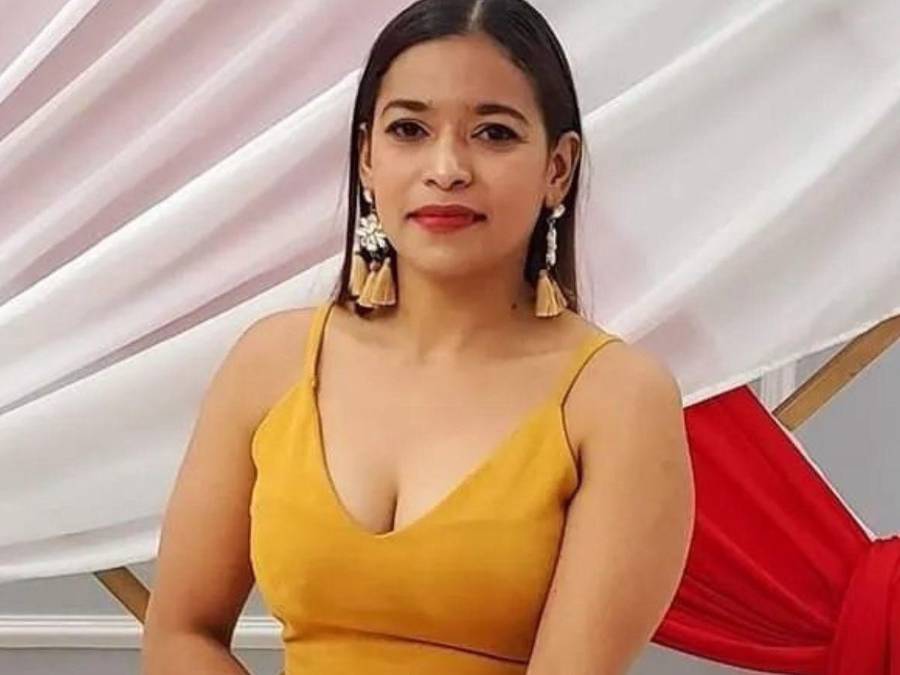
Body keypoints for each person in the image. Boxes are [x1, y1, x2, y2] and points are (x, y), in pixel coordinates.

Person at [141, 1, 695, 673]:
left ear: (558, 168)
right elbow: (181, 635)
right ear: (366, 156)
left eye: (493, 133)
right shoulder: (272, 362)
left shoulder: (617, 399)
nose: (447, 167)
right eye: (409, 129)